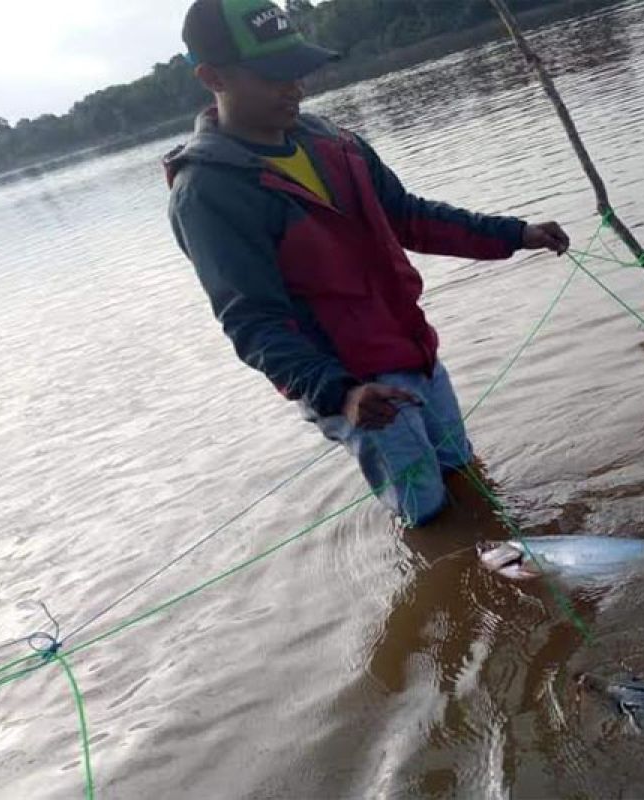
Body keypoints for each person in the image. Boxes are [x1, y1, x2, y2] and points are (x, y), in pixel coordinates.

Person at [165, 0, 570, 527]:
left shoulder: (334, 141)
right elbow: (254, 323)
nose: (295, 88)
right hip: (358, 387)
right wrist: (342, 393)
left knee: (466, 478)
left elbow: (410, 217)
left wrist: (514, 234)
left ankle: (476, 584)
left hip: (415, 351)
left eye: (298, 70)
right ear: (212, 76)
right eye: (272, 76)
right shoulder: (208, 194)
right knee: (426, 514)